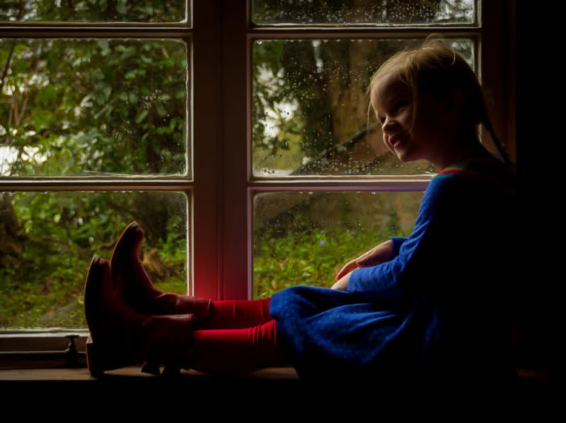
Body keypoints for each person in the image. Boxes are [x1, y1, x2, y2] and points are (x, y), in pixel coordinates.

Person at [84, 40, 518, 385]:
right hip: (467, 345)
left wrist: (356, 280)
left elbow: (412, 275)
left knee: (296, 328)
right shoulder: (489, 177)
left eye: (399, 106)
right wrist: (393, 244)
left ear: (451, 104)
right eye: (383, 115)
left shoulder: (453, 186)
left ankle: (134, 337)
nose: (386, 125)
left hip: (438, 351)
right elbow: (455, 250)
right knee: (300, 301)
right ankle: (157, 306)